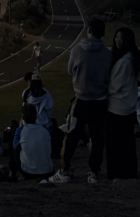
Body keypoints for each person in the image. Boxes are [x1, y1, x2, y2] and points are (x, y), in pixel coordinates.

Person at [50, 16, 112, 184]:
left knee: (71, 136)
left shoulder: (77, 50)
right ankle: (93, 172)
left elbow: (70, 70)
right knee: (97, 138)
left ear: (89, 31)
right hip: (100, 101)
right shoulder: (107, 54)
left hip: (81, 100)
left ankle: (65, 170)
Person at [106, 26, 140, 179]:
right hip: (128, 106)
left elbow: (114, 86)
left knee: (115, 143)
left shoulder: (125, 62)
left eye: (121, 38)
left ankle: (116, 172)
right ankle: (129, 171)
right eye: (117, 37)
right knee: (127, 142)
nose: (118, 40)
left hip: (117, 107)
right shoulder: (132, 58)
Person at [12, 104, 54, 180]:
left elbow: (16, 146)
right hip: (48, 170)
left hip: (28, 172)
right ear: (36, 116)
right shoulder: (46, 130)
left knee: (16, 149)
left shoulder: (20, 131)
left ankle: (13, 172)